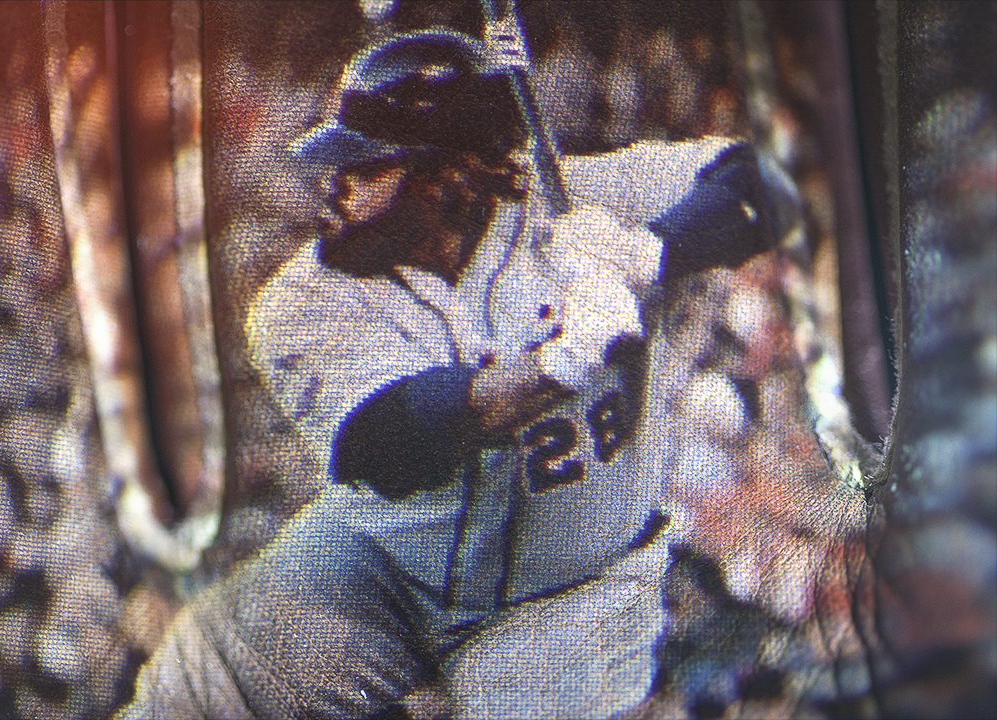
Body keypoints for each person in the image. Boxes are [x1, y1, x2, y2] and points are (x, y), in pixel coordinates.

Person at [122, 29, 776, 719]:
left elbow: (773, 177)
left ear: (448, 178)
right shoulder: (302, 298)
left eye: (366, 168)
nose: (334, 186)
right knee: (189, 694)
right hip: (387, 560)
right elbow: (396, 442)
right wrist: (556, 364)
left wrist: (649, 252)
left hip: (573, 591)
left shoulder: (574, 202)